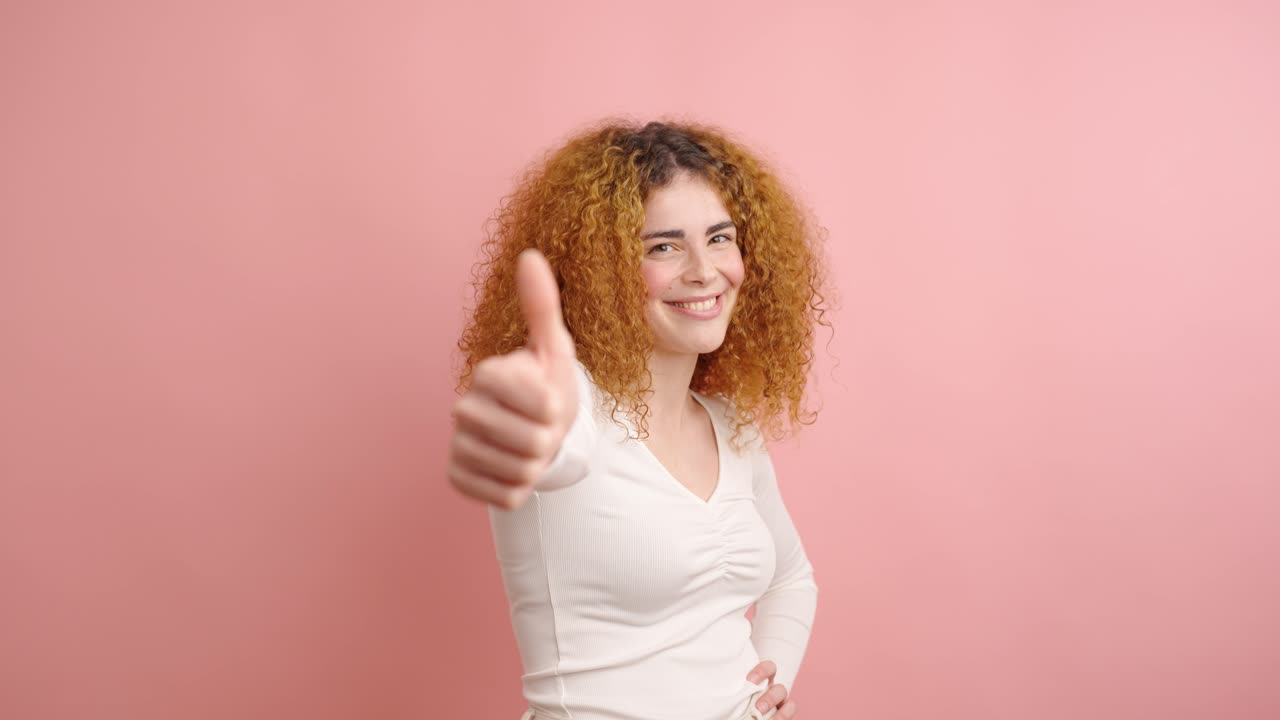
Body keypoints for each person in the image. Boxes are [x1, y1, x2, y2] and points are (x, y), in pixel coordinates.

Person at [447, 119, 832, 720]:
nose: (704, 270)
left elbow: (792, 577)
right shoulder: (568, 399)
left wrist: (772, 670)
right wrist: (524, 422)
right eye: (663, 246)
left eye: (720, 238)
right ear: (602, 269)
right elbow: (557, 442)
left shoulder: (733, 426)